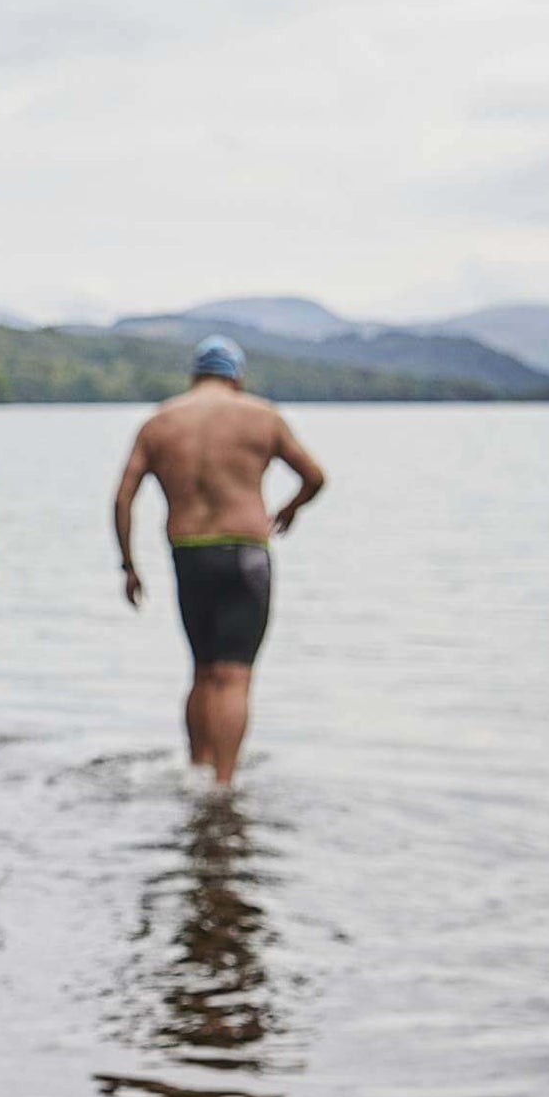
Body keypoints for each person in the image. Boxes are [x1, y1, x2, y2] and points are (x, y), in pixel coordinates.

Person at [113, 336, 326, 785]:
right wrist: (288, 510)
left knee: (202, 671)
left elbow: (124, 497)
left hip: (189, 555)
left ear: (195, 375)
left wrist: (129, 565)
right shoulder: (262, 417)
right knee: (234, 677)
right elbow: (315, 477)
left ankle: (195, 771)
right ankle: (224, 786)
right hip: (246, 555)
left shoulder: (159, 422)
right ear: (237, 375)